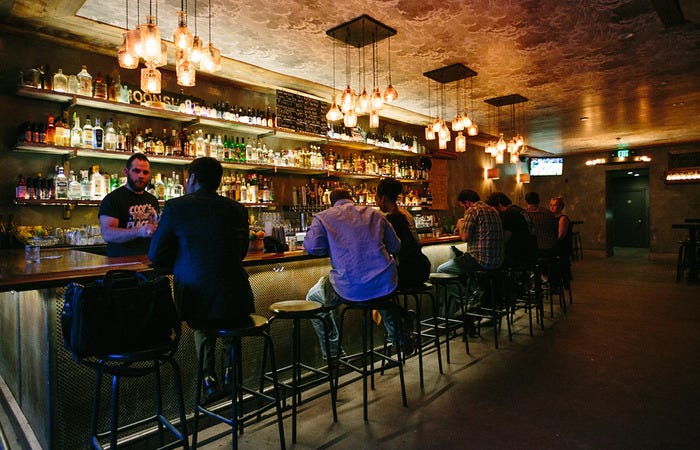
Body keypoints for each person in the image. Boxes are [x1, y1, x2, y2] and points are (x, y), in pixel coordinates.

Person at [149, 157, 254, 403]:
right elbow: (241, 252)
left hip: (195, 295)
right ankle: (230, 373)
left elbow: (155, 254)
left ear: (193, 178)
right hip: (238, 297)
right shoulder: (237, 208)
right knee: (228, 318)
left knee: (204, 321)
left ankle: (207, 378)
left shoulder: (176, 207)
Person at [304, 188, 414, 359]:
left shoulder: (323, 217)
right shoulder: (376, 214)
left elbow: (313, 248)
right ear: (352, 198)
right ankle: (400, 339)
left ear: (331, 203)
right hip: (385, 284)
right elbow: (395, 247)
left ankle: (333, 355)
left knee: (313, 298)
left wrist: (333, 245)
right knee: (383, 294)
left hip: (349, 287)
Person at [437, 189, 504, 328]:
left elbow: (464, 237)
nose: (463, 209)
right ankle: (475, 298)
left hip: (479, 260)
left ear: (467, 202)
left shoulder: (472, 210)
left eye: (462, 206)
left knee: (441, 270)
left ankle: (470, 299)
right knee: (460, 268)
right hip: (497, 262)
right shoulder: (493, 210)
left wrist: (460, 224)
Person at [98, 153, 159, 257]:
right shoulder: (113, 199)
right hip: (121, 262)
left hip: (148, 260)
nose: (141, 176)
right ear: (126, 172)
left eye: (145, 172)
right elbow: (107, 234)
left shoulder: (152, 199)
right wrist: (139, 232)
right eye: (136, 171)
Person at [375, 178, 431, 289]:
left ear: (383, 198)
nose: (377, 203)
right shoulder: (405, 214)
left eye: (376, 199)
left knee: (376, 281)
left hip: (408, 272)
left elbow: (389, 247)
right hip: (422, 267)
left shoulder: (391, 219)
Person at [485, 192, 537, 269]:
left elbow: (505, 238)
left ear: (499, 204)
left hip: (520, 256)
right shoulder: (518, 210)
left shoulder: (510, 213)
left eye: (493, 208)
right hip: (530, 251)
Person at [524, 192, 558, 259]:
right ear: (538, 201)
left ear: (525, 202)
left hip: (535, 248)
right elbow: (555, 229)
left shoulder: (525, 215)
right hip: (551, 246)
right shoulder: (548, 213)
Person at [549, 195, 573, 287]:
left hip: (562, 247)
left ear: (560, 207)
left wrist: (552, 243)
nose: (552, 207)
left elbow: (561, 236)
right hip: (555, 244)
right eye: (551, 205)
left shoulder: (563, 218)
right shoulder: (551, 217)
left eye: (554, 205)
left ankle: (555, 282)